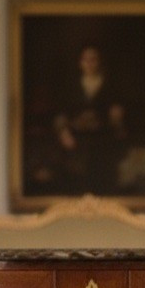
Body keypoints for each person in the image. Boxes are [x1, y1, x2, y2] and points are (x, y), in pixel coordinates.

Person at [50, 44, 127, 194]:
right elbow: (59, 113)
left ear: (99, 61)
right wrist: (63, 133)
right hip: (75, 141)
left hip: (102, 140)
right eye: (86, 59)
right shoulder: (70, 86)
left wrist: (117, 119)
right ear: (80, 62)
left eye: (93, 59)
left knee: (101, 181)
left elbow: (118, 117)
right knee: (74, 183)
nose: (90, 63)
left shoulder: (110, 85)